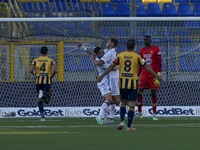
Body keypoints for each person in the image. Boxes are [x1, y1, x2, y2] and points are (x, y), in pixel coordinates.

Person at [96, 39, 164, 131]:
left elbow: (111, 66)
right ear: (134, 46)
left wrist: (101, 76)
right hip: (133, 84)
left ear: (126, 46)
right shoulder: (137, 56)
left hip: (123, 83)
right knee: (131, 105)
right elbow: (146, 67)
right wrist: (157, 76)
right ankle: (129, 126)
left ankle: (121, 121)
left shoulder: (120, 55)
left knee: (123, 103)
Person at [77, 38, 121, 124]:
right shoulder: (103, 61)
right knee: (112, 100)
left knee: (111, 100)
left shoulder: (106, 54)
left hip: (107, 80)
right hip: (103, 81)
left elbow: (95, 54)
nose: (103, 52)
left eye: (109, 41)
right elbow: (112, 67)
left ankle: (106, 119)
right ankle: (100, 117)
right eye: (101, 53)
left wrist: (84, 49)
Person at [136, 35, 162, 120]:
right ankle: (139, 113)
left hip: (153, 75)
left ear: (150, 40)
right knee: (139, 92)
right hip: (144, 75)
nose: (145, 41)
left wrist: (158, 74)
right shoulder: (142, 50)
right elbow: (140, 64)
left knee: (153, 93)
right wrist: (137, 75)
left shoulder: (156, 49)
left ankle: (154, 114)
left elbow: (159, 62)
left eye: (146, 40)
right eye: (144, 40)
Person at [29, 46, 57, 121]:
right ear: (47, 52)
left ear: (40, 52)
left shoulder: (36, 60)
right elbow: (55, 70)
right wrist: (52, 76)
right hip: (47, 80)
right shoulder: (50, 60)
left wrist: (35, 73)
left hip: (38, 80)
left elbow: (30, 70)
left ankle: (42, 117)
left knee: (39, 98)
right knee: (47, 101)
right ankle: (44, 95)